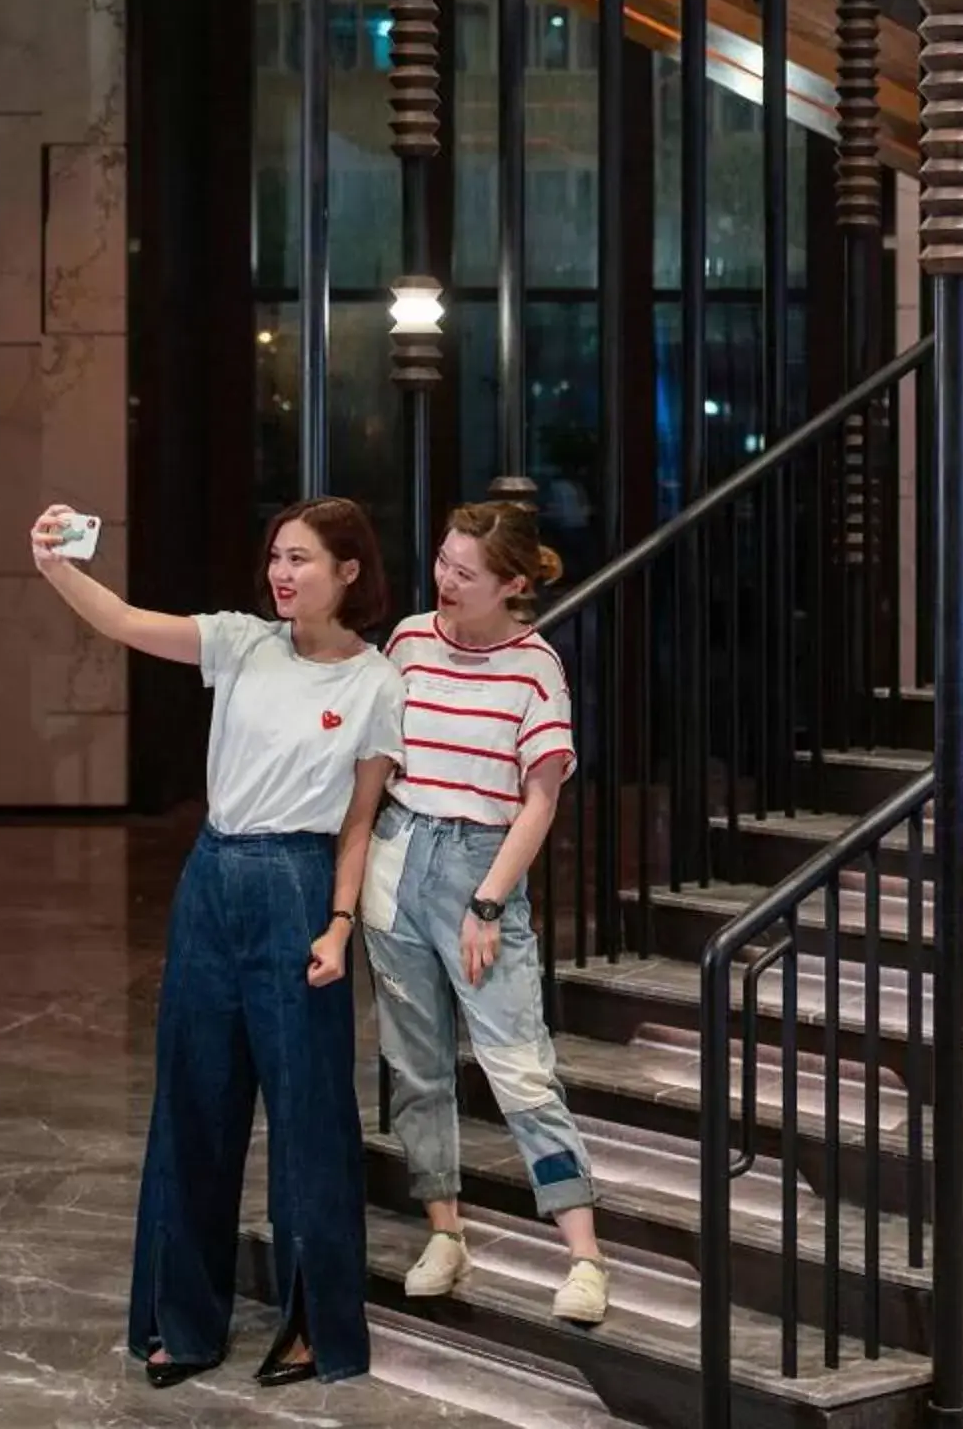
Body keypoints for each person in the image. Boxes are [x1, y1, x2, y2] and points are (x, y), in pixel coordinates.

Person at [30, 494, 405, 1390]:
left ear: (348, 573)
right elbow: (123, 621)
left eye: (303, 559)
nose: (282, 573)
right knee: (192, 1101)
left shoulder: (374, 683)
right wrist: (56, 567)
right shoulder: (242, 641)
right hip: (213, 876)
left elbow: (359, 822)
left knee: (309, 1112)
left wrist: (339, 924)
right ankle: (182, 1321)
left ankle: (316, 1324)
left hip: (298, 883)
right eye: (277, 555)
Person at [364, 498, 607, 1327]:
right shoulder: (408, 639)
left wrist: (488, 902)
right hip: (397, 859)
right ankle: (444, 1229)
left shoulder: (536, 666)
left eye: (464, 573)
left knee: (518, 1066)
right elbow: (379, 758)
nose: (444, 580)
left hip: (479, 861)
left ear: (510, 584)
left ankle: (583, 1254)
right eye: (442, 560)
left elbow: (539, 802)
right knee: (418, 1067)